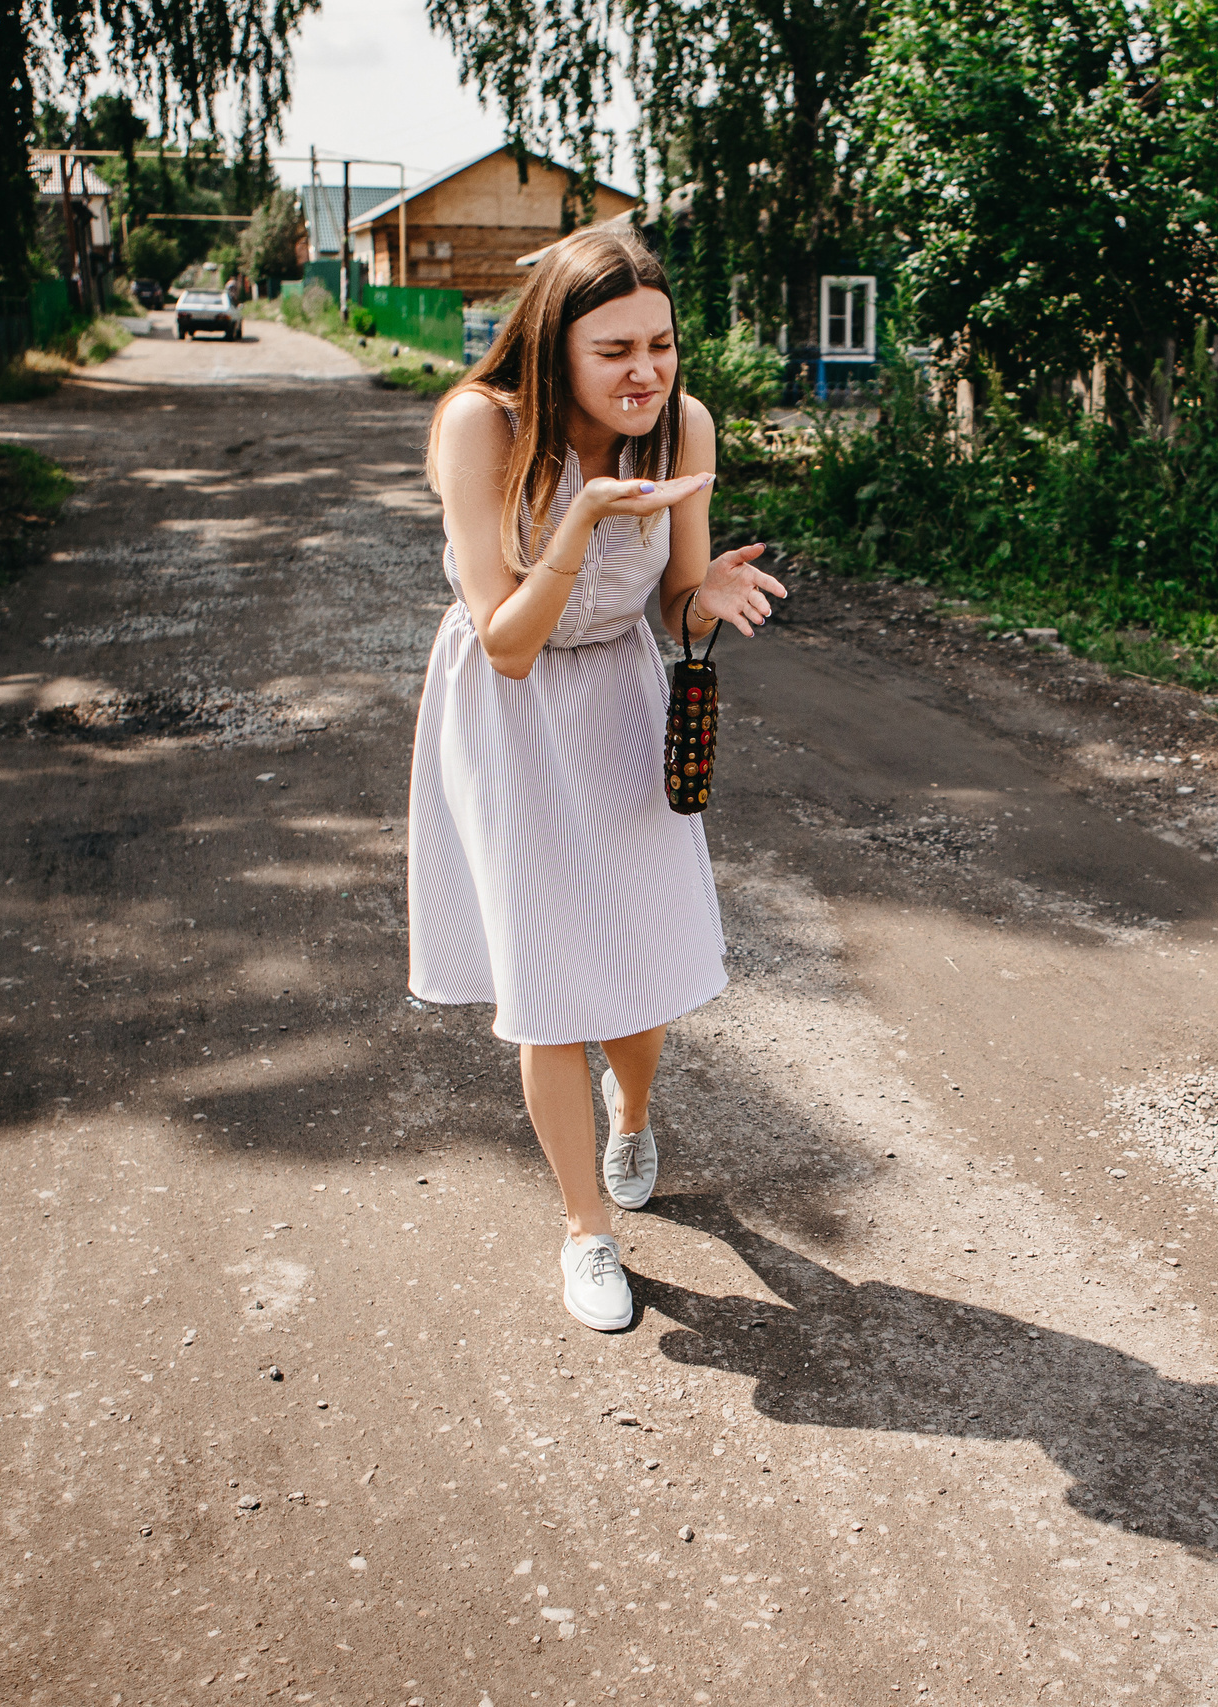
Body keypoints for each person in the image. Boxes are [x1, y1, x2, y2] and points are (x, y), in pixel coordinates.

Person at [406, 223, 785, 1332]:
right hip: (509, 712)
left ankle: (633, 1114)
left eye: (660, 345)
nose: (646, 372)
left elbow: (666, 600)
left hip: (623, 699)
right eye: (613, 350)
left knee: (641, 960)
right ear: (553, 352)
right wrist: (573, 520)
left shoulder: (683, 426)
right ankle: (586, 1231)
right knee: (552, 984)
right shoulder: (482, 426)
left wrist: (697, 596)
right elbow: (508, 640)